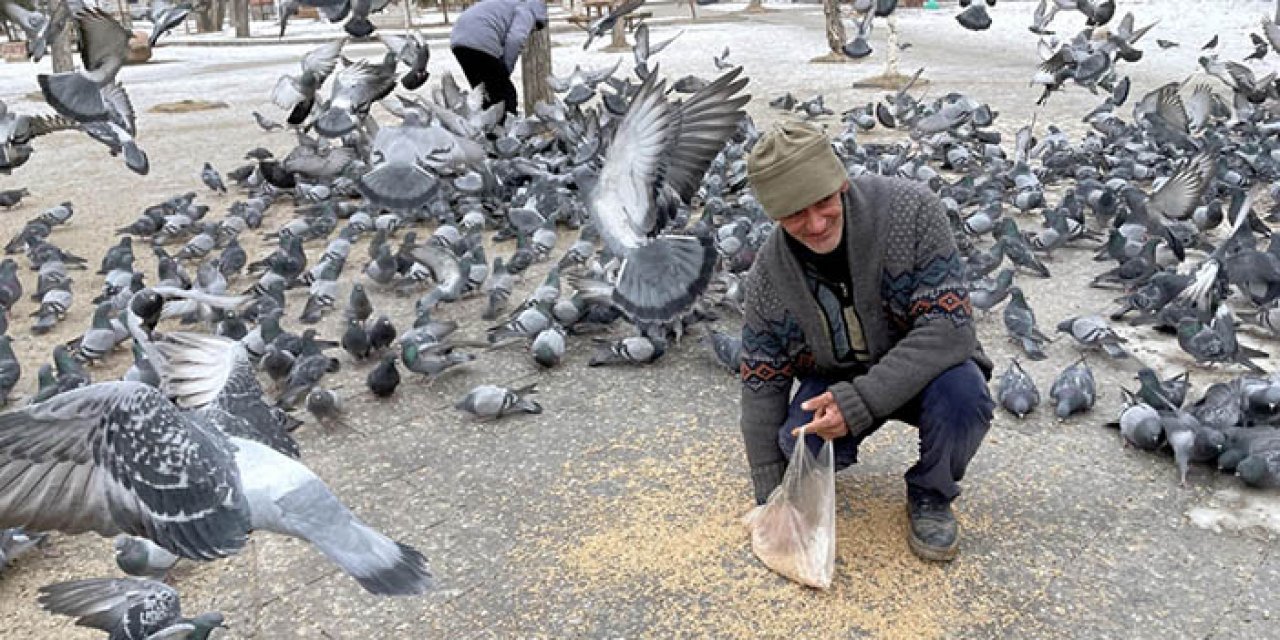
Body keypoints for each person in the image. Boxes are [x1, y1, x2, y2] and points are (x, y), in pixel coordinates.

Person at [739, 120, 995, 562]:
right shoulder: (769, 278)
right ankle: (806, 483)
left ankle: (932, 493)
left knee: (964, 396)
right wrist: (772, 496)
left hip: (925, 372)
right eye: (795, 214)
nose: (815, 224)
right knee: (798, 442)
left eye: (822, 202)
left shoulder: (912, 211)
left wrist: (858, 403)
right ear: (774, 217)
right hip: (837, 377)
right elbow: (761, 384)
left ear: (840, 181)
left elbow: (949, 329)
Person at [450, 0, 549, 118]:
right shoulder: (527, 11)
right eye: (534, 28)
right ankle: (505, 131)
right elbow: (515, 39)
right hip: (481, 40)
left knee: (484, 93)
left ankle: (486, 129)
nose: (531, 31)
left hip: (459, 41)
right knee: (506, 95)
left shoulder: (508, 4)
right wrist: (506, 68)